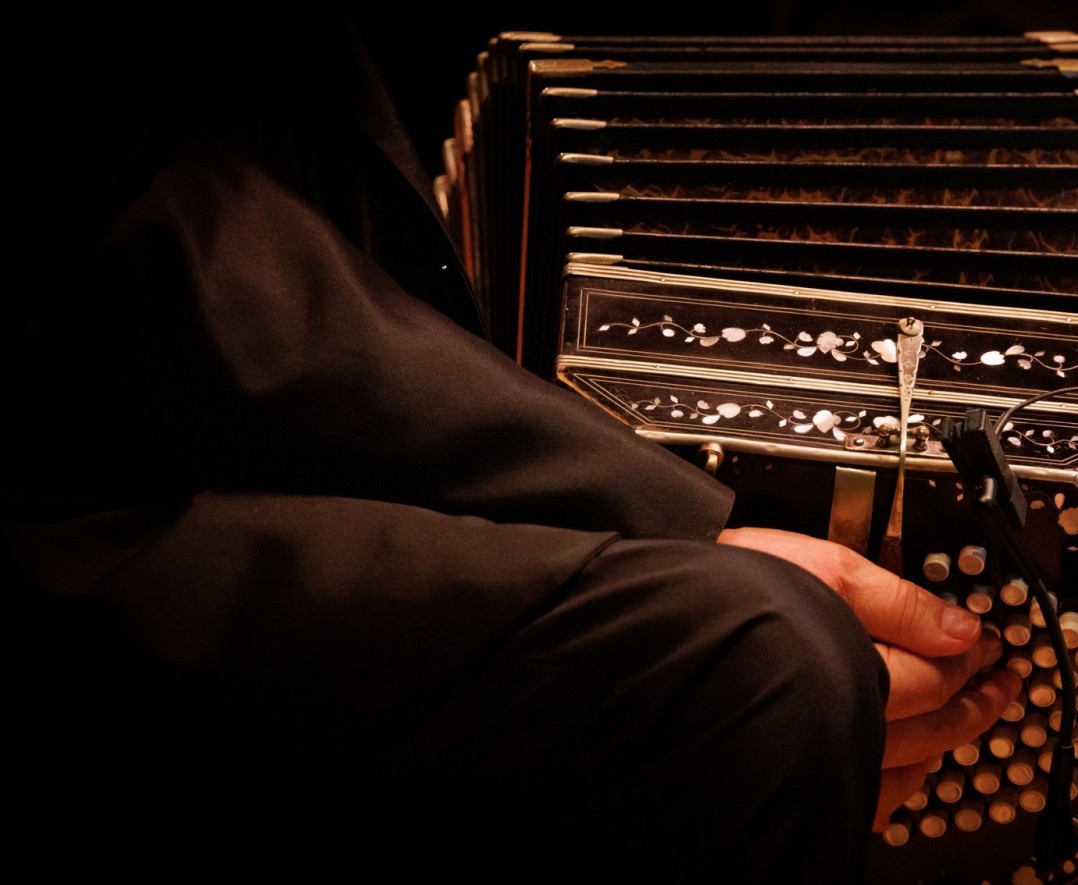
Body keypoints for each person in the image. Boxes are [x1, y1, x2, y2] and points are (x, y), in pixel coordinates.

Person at [4, 6, 1020, 879]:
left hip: (345, 410)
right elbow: (156, 277)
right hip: (87, 489)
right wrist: (664, 511)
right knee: (761, 662)